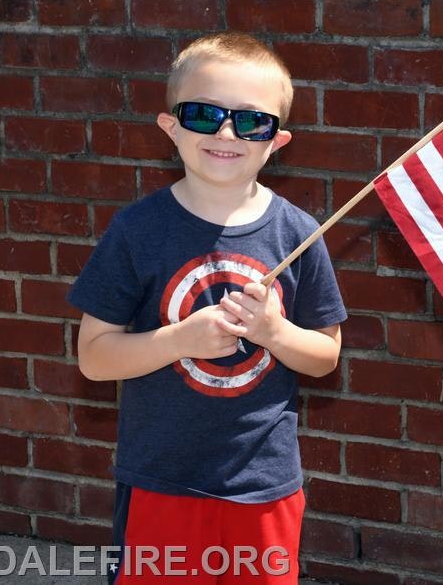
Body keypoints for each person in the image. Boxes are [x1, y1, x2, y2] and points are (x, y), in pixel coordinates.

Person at [65, 32, 347, 584]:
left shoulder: (300, 233)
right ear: (170, 126)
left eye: (251, 121)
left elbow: (325, 357)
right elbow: (93, 358)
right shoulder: (137, 232)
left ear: (277, 141)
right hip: (161, 480)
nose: (225, 133)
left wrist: (273, 331)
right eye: (203, 113)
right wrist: (180, 340)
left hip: (263, 485)